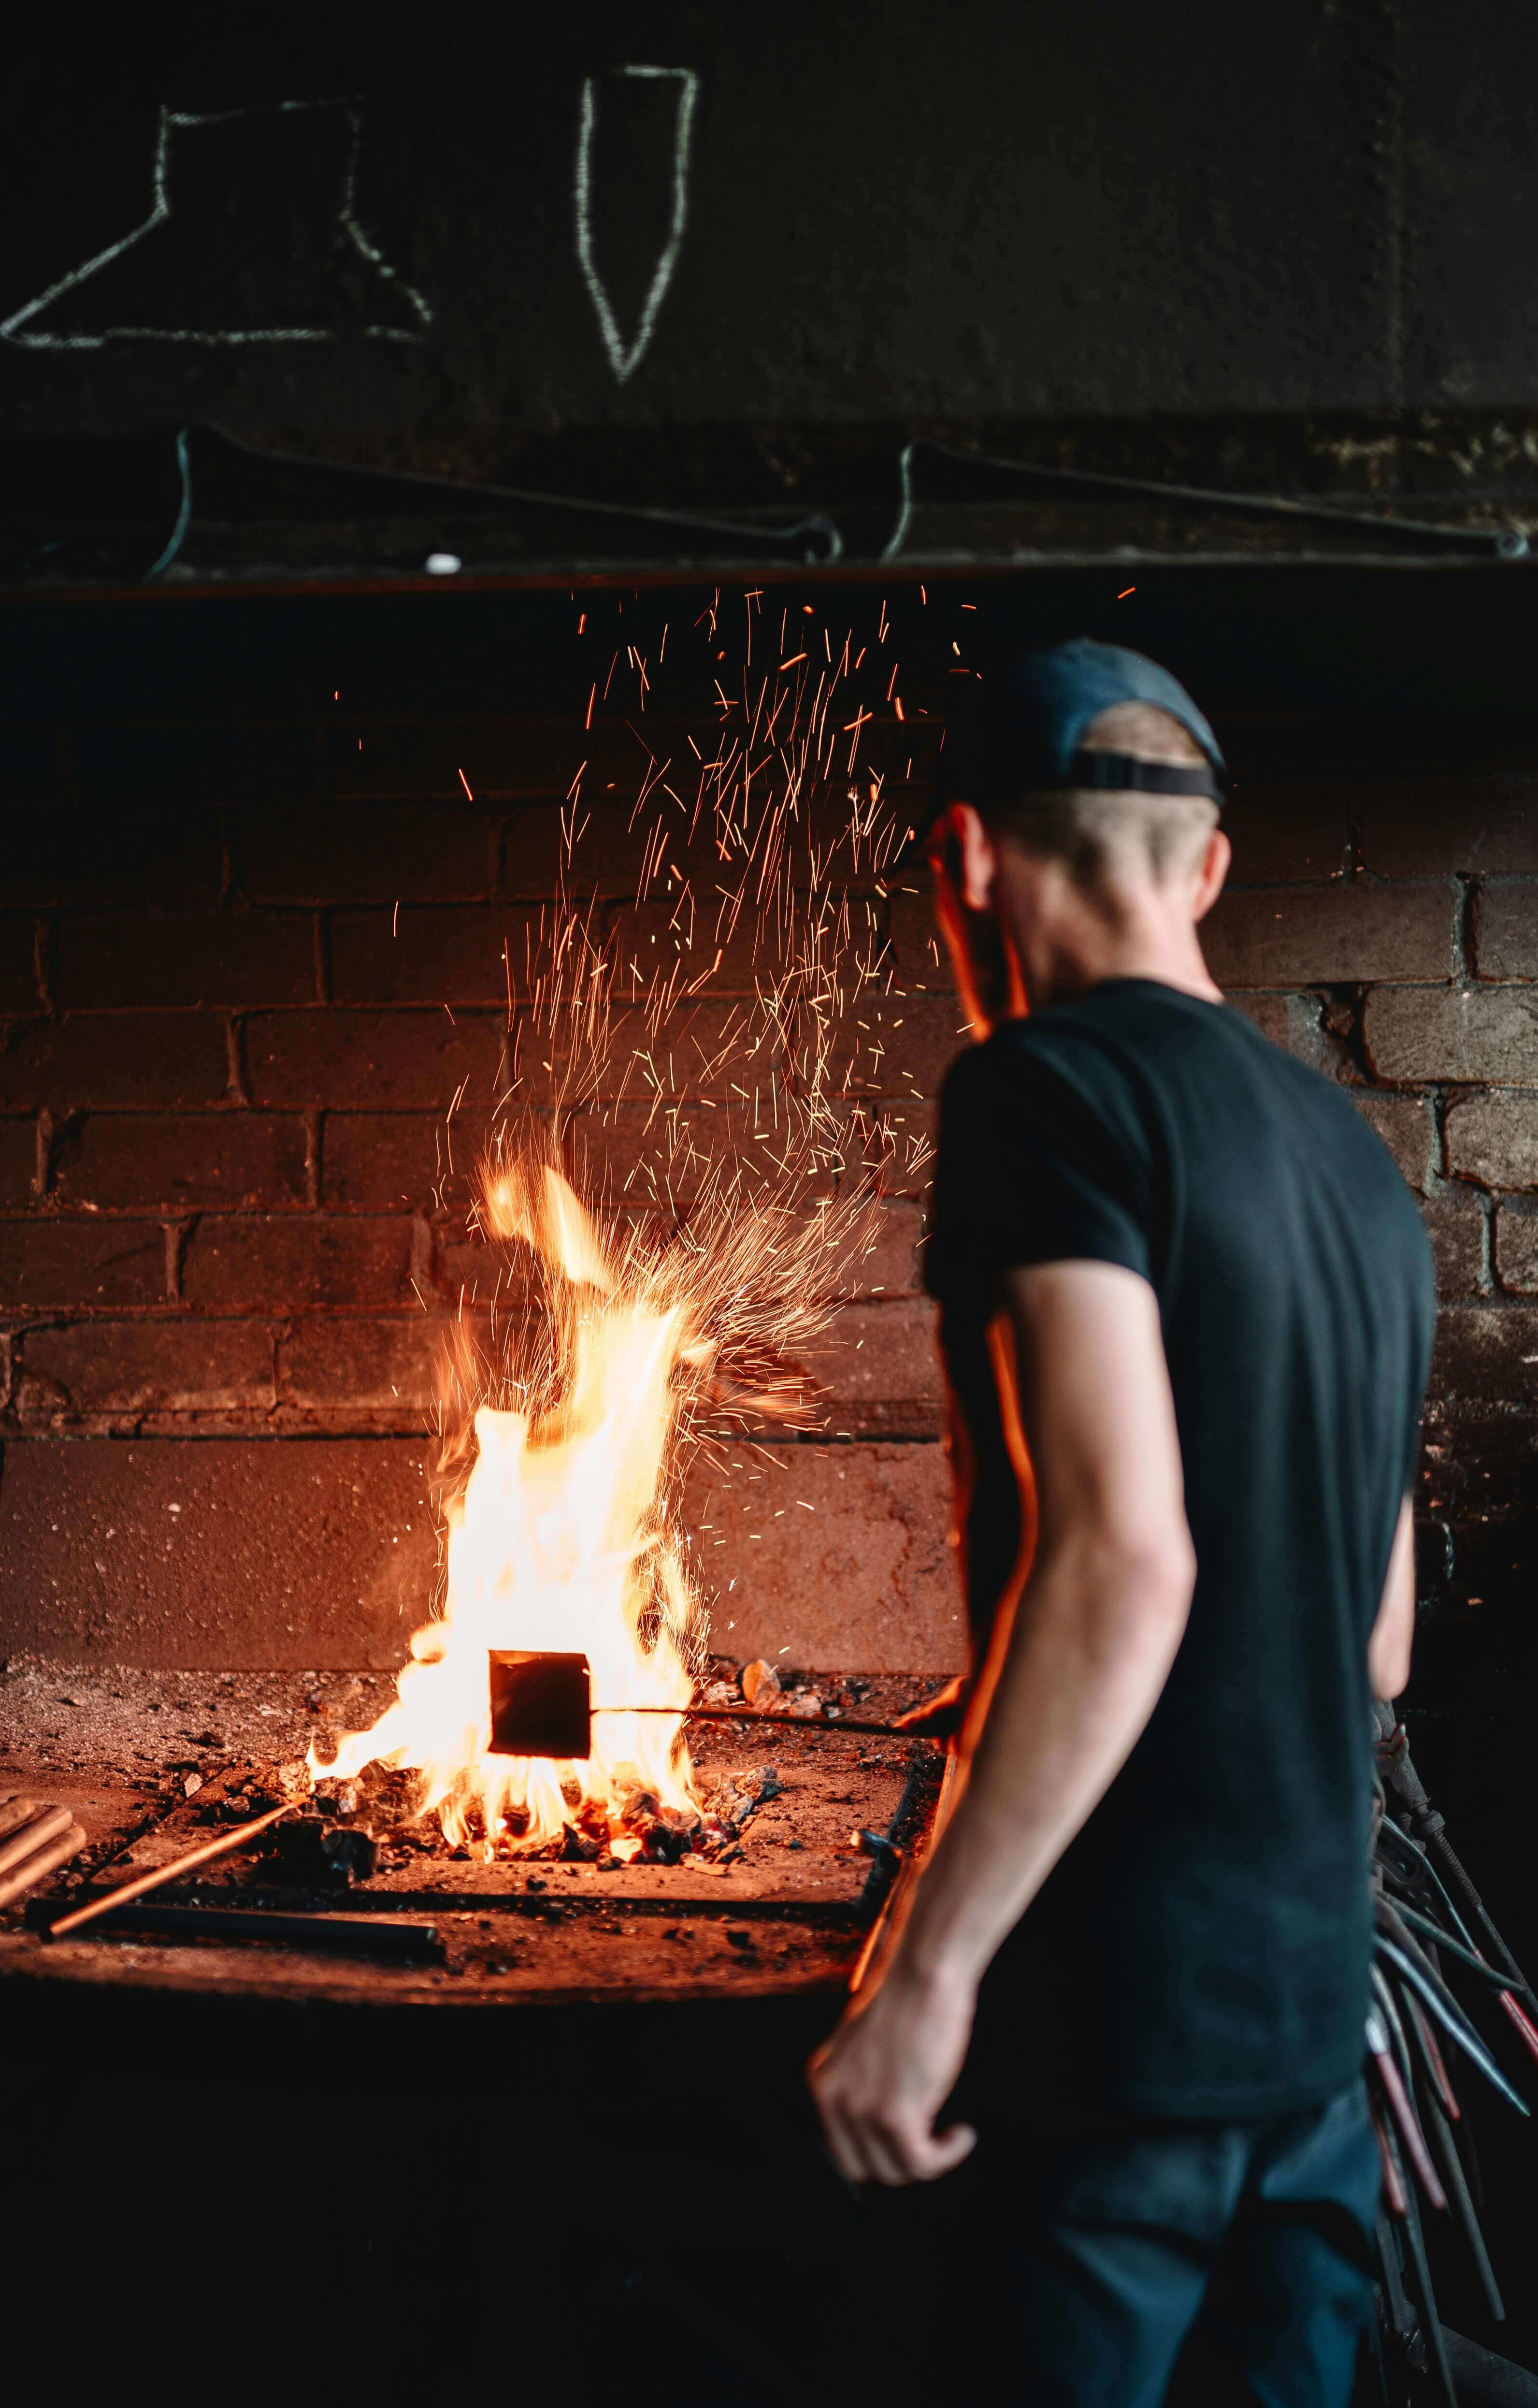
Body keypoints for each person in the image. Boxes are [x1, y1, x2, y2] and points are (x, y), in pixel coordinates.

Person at [807, 639, 1436, 2407]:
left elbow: (1126, 1553)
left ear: (967, 861)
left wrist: (929, 1977)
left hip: (1113, 2038)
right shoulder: (1353, 1163)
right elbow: (1375, 1640)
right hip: (1311, 2036)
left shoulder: (1043, 1094)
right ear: (1211, 868)